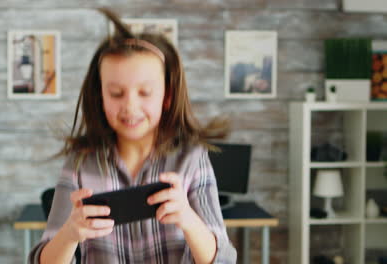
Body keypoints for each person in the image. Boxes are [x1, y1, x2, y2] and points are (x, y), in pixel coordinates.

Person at [29, 8, 237, 264]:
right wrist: (70, 233)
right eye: (116, 93)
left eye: (145, 92)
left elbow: (223, 260)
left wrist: (188, 218)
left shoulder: (191, 158)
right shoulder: (80, 163)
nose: (130, 106)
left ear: (167, 97)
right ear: (100, 96)